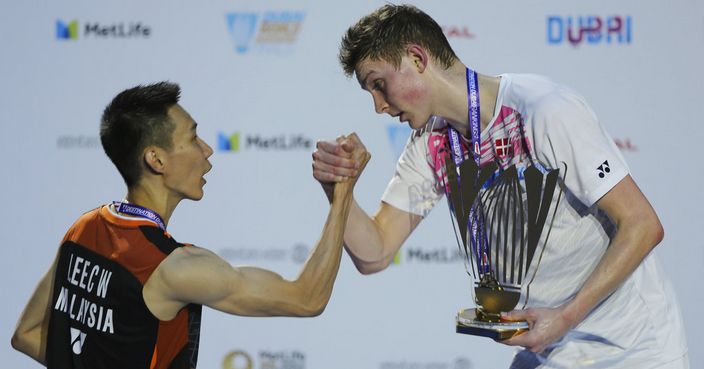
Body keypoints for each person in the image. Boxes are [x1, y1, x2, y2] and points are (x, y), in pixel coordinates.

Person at [312, 4, 688, 369]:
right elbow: (375, 252)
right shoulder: (432, 142)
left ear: (416, 58)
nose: (379, 106)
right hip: (552, 349)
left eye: (380, 85)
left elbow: (642, 224)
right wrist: (339, 189)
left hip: (633, 349)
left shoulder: (543, 110)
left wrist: (565, 317)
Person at [12, 82, 369, 369]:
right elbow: (307, 299)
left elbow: (27, 333)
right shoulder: (175, 269)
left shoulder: (85, 227)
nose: (208, 149)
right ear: (156, 159)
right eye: (193, 138)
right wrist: (342, 194)